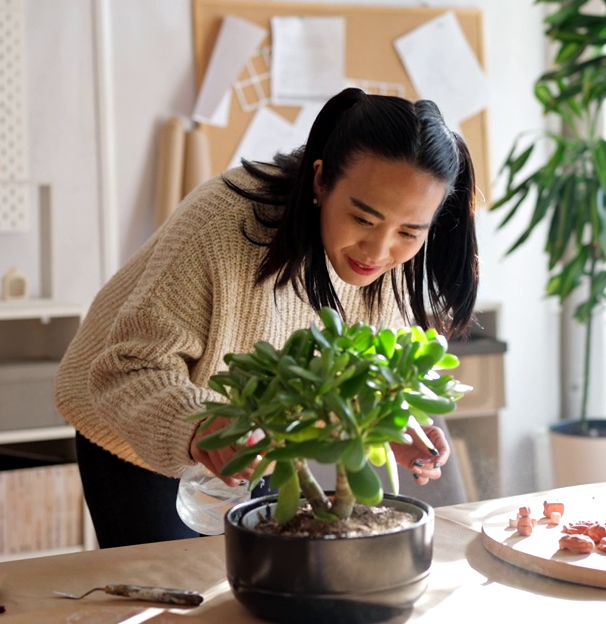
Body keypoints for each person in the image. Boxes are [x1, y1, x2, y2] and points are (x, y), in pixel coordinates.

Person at [55, 87, 480, 547]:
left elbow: (353, 371)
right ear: (320, 181)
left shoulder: (395, 263)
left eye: (409, 231)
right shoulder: (223, 223)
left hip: (264, 440)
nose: (378, 250)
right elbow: (127, 368)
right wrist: (197, 428)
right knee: (169, 597)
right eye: (362, 219)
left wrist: (387, 423)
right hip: (133, 430)